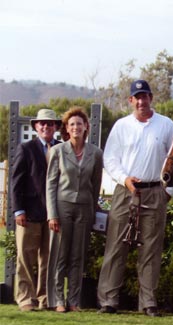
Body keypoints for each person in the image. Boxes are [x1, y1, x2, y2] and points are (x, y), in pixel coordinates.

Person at [97, 80, 173, 317]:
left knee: (151, 249)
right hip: (126, 190)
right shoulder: (122, 126)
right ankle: (109, 300)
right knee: (115, 245)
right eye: (137, 97)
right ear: (130, 100)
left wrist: (168, 192)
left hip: (155, 191)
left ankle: (148, 302)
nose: (141, 101)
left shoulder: (166, 125)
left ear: (151, 98)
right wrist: (124, 178)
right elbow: (110, 158)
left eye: (145, 96)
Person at [46, 107, 103, 312]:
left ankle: (74, 301)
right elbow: (51, 184)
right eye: (72, 124)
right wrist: (52, 213)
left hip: (85, 209)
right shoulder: (58, 151)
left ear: (86, 127)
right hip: (62, 208)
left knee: (78, 256)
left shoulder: (96, 153)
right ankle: (58, 299)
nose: (76, 127)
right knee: (60, 254)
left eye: (79, 123)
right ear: (67, 129)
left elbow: (96, 184)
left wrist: (92, 208)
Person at [10, 108, 62, 311]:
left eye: (50, 124)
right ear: (36, 127)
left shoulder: (61, 148)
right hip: (29, 214)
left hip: (53, 216)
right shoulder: (26, 148)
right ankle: (25, 299)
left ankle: (45, 298)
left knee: (48, 261)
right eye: (42, 123)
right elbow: (15, 182)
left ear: (56, 127)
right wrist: (18, 210)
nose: (46, 127)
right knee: (25, 258)